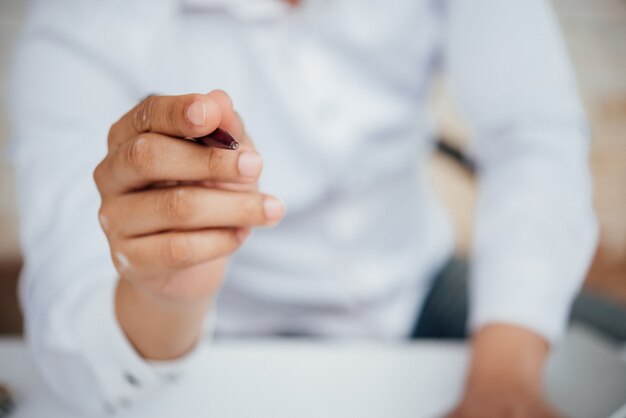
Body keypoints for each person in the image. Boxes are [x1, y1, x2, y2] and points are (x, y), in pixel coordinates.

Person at [10, 0, 597, 416]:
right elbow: (71, 325)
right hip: (218, 334)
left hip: (416, 287)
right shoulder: (79, 19)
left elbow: (532, 135)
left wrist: (504, 375)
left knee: (587, 362)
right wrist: (162, 294)